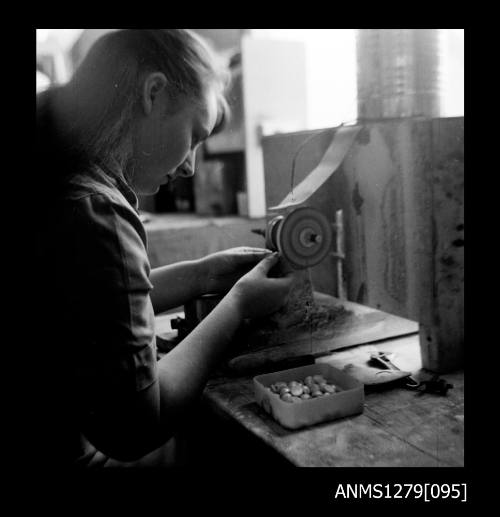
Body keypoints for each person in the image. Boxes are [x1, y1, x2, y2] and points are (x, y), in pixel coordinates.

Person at [34, 29, 293, 467]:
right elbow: (136, 426)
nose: (191, 166)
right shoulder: (97, 208)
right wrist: (237, 307)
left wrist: (203, 275)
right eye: (193, 135)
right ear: (154, 93)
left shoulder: (56, 174)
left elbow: (90, 309)